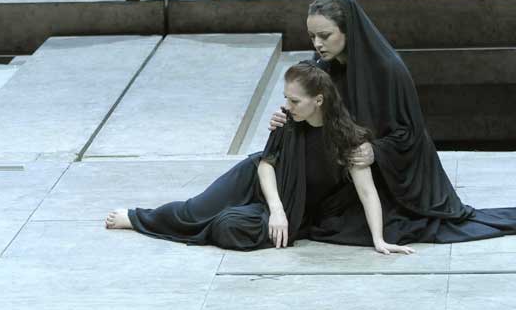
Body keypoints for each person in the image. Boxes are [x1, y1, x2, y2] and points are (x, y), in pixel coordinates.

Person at [266, 0, 516, 243]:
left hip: (384, 178)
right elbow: (315, 109)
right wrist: (288, 116)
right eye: (312, 37)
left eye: (325, 35)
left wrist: (376, 150)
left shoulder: (387, 70)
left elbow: (410, 134)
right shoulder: (323, 67)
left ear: (348, 31)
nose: (317, 44)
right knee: (263, 165)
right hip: (340, 167)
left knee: (352, 225)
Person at [105, 63, 417, 254]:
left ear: (318, 100)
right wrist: (277, 209)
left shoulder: (347, 138)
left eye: (295, 100)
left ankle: (223, 221)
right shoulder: (287, 121)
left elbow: (367, 192)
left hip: (290, 204)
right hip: (255, 181)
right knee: (194, 210)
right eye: (286, 98)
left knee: (228, 227)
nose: (287, 105)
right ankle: (136, 218)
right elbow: (267, 164)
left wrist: (379, 240)